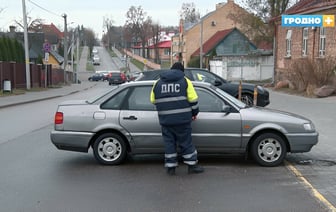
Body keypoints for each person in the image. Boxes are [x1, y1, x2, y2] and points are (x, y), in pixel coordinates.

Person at [150, 62, 204, 175]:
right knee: (186, 142)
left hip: (166, 121)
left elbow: (153, 100)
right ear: (182, 71)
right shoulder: (185, 81)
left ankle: (171, 168)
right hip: (182, 120)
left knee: (169, 143)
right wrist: (195, 113)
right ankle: (192, 166)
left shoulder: (158, 83)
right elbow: (193, 100)